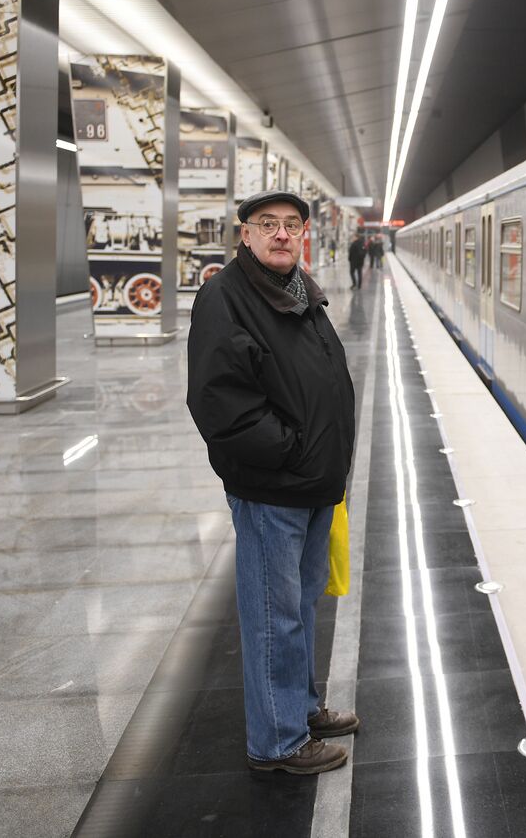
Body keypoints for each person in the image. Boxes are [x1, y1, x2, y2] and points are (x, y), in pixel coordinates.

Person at [186, 189, 360, 776]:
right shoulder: (224, 297)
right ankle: (278, 741)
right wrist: (288, 451)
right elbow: (219, 402)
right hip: (273, 487)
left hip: (310, 482)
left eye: (292, 225)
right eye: (268, 225)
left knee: (302, 607)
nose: (282, 234)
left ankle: (302, 709)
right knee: (272, 616)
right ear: (246, 234)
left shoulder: (299, 290)